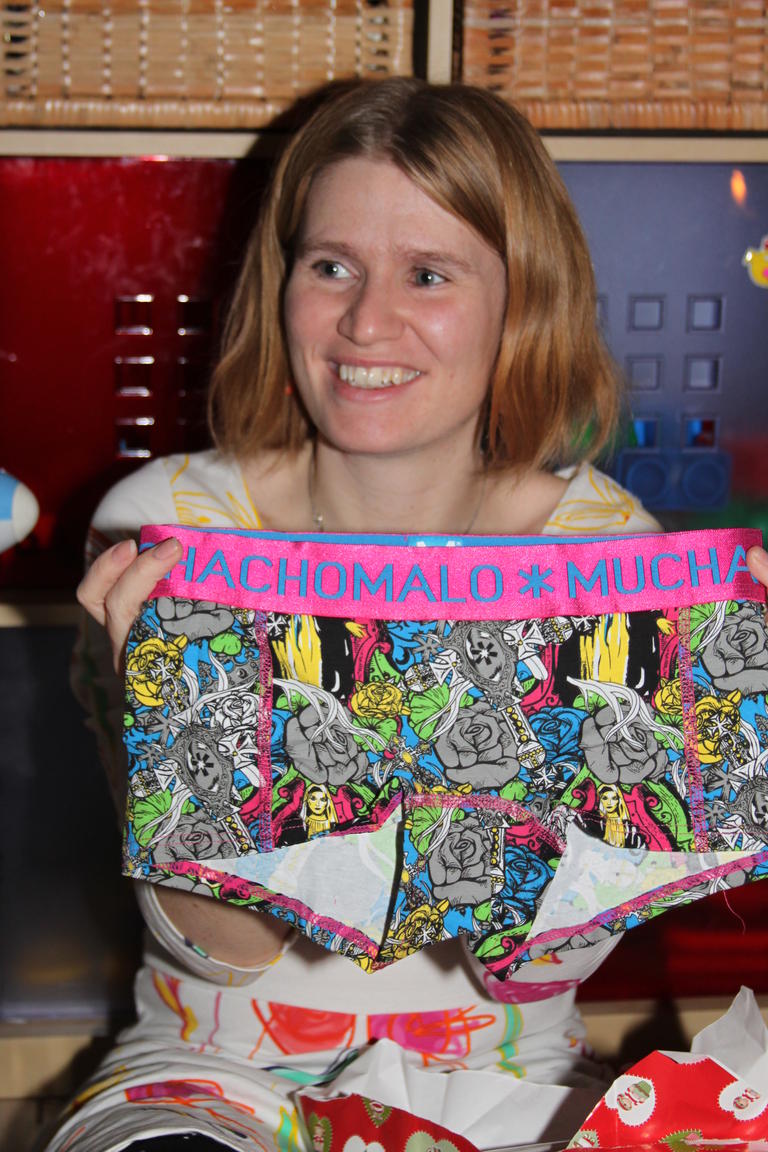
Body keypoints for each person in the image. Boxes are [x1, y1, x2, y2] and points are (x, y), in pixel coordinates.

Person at [45, 77, 768, 1152]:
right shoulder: (168, 531)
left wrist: (709, 730)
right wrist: (189, 749)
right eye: (331, 266)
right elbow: (219, 954)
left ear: (522, 304)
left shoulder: (604, 553)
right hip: (215, 1067)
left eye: (427, 274)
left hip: (506, 1080)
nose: (365, 321)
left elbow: (532, 968)